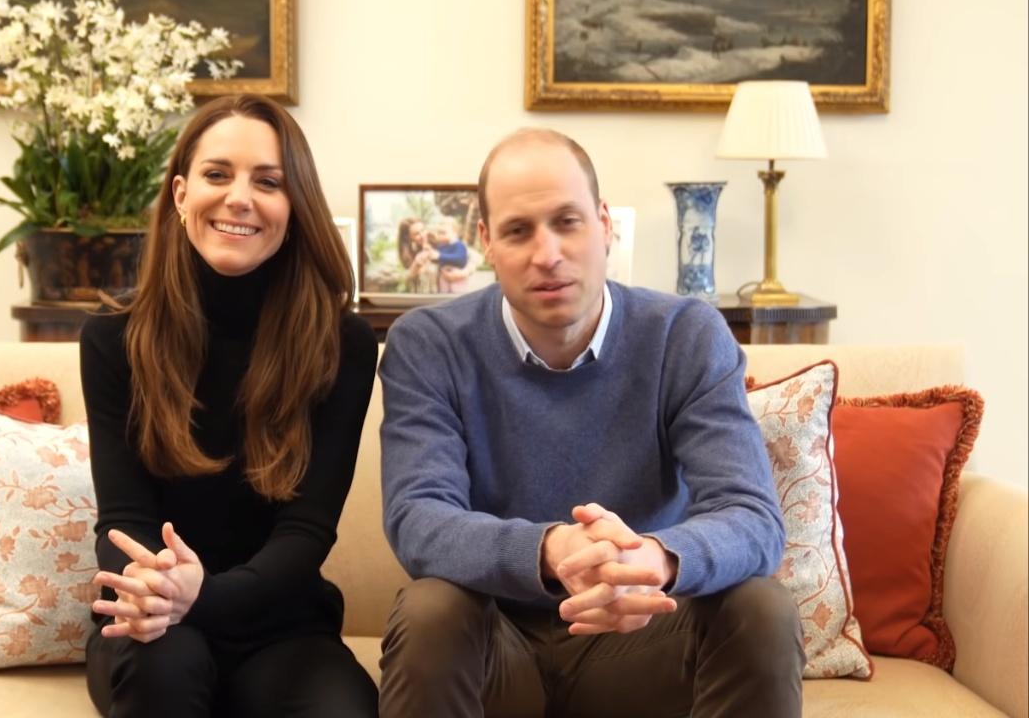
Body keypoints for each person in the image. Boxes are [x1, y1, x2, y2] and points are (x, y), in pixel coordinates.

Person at [377, 127, 804, 718]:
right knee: (430, 610)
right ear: (486, 243)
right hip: (498, 646)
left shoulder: (684, 335)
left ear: (605, 224)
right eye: (518, 230)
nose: (547, 253)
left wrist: (656, 559)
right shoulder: (429, 345)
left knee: (763, 608)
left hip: (641, 641)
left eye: (567, 221)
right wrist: (551, 549)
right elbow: (418, 519)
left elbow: (753, 518)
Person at [79, 94, 379, 718]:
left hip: (281, 622)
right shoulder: (112, 339)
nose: (239, 197)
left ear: (293, 208)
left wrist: (205, 597)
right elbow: (124, 519)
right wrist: (165, 595)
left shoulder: (342, 345)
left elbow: (307, 530)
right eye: (218, 174)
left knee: (341, 709)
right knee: (165, 675)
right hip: (155, 619)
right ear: (182, 194)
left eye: (267, 181)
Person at [431, 216, 471, 293]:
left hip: (457, 279)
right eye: (438, 233)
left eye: (443, 233)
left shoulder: (459, 245)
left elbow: (460, 259)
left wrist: (439, 256)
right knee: (443, 296)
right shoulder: (441, 246)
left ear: (454, 233)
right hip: (444, 278)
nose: (439, 236)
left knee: (457, 296)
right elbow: (437, 260)